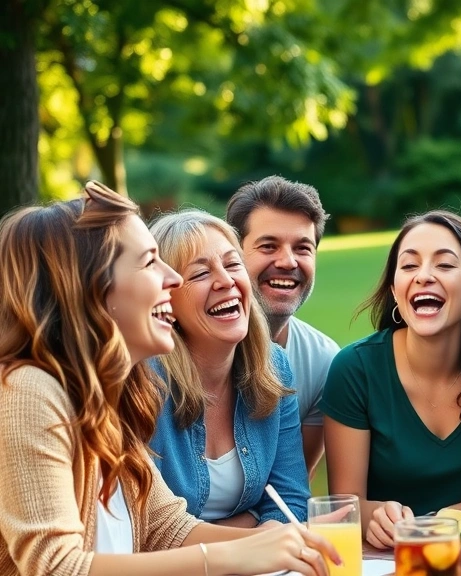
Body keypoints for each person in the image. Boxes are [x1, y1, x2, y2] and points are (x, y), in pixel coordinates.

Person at [0, 182, 338, 576]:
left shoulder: (111, 395)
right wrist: (233, 556)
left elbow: (167, 528)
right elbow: (56, 567)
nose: (171, 279)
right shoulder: (28, 390)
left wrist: (286, 542)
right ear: (91, 287)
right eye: (149, 263)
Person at [320, 210, 461, 549]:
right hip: (385, 561)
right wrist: (375, 514)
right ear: (395, 290)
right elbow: (346, 504)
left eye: (444, 265)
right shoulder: (355, 369)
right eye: (409, 266)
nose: (423, 276)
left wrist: (438, 522)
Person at [148, 210, 309, 526]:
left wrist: (269, 533)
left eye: (233, 264)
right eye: (199, 274)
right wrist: (255, 534)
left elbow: (290, 501)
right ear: (166, 298)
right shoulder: (143, 382)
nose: (226, 281)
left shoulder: (273, 366)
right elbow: (149, 529)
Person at [227, 176, 340, 479]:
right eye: (268, 246)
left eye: (303, 248)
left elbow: (288, 490)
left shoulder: (323, 361)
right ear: (232, 254)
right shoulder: (185, 351)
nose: (288, 262)